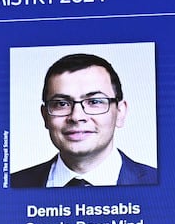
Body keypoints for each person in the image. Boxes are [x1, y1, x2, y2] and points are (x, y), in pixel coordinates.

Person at [10, 52, 158, 188]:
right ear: (45, 116)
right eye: (62, 104)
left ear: (120, 112)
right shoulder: (13, 185)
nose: (76, 117)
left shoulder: (162, 183)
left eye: (94, 101)